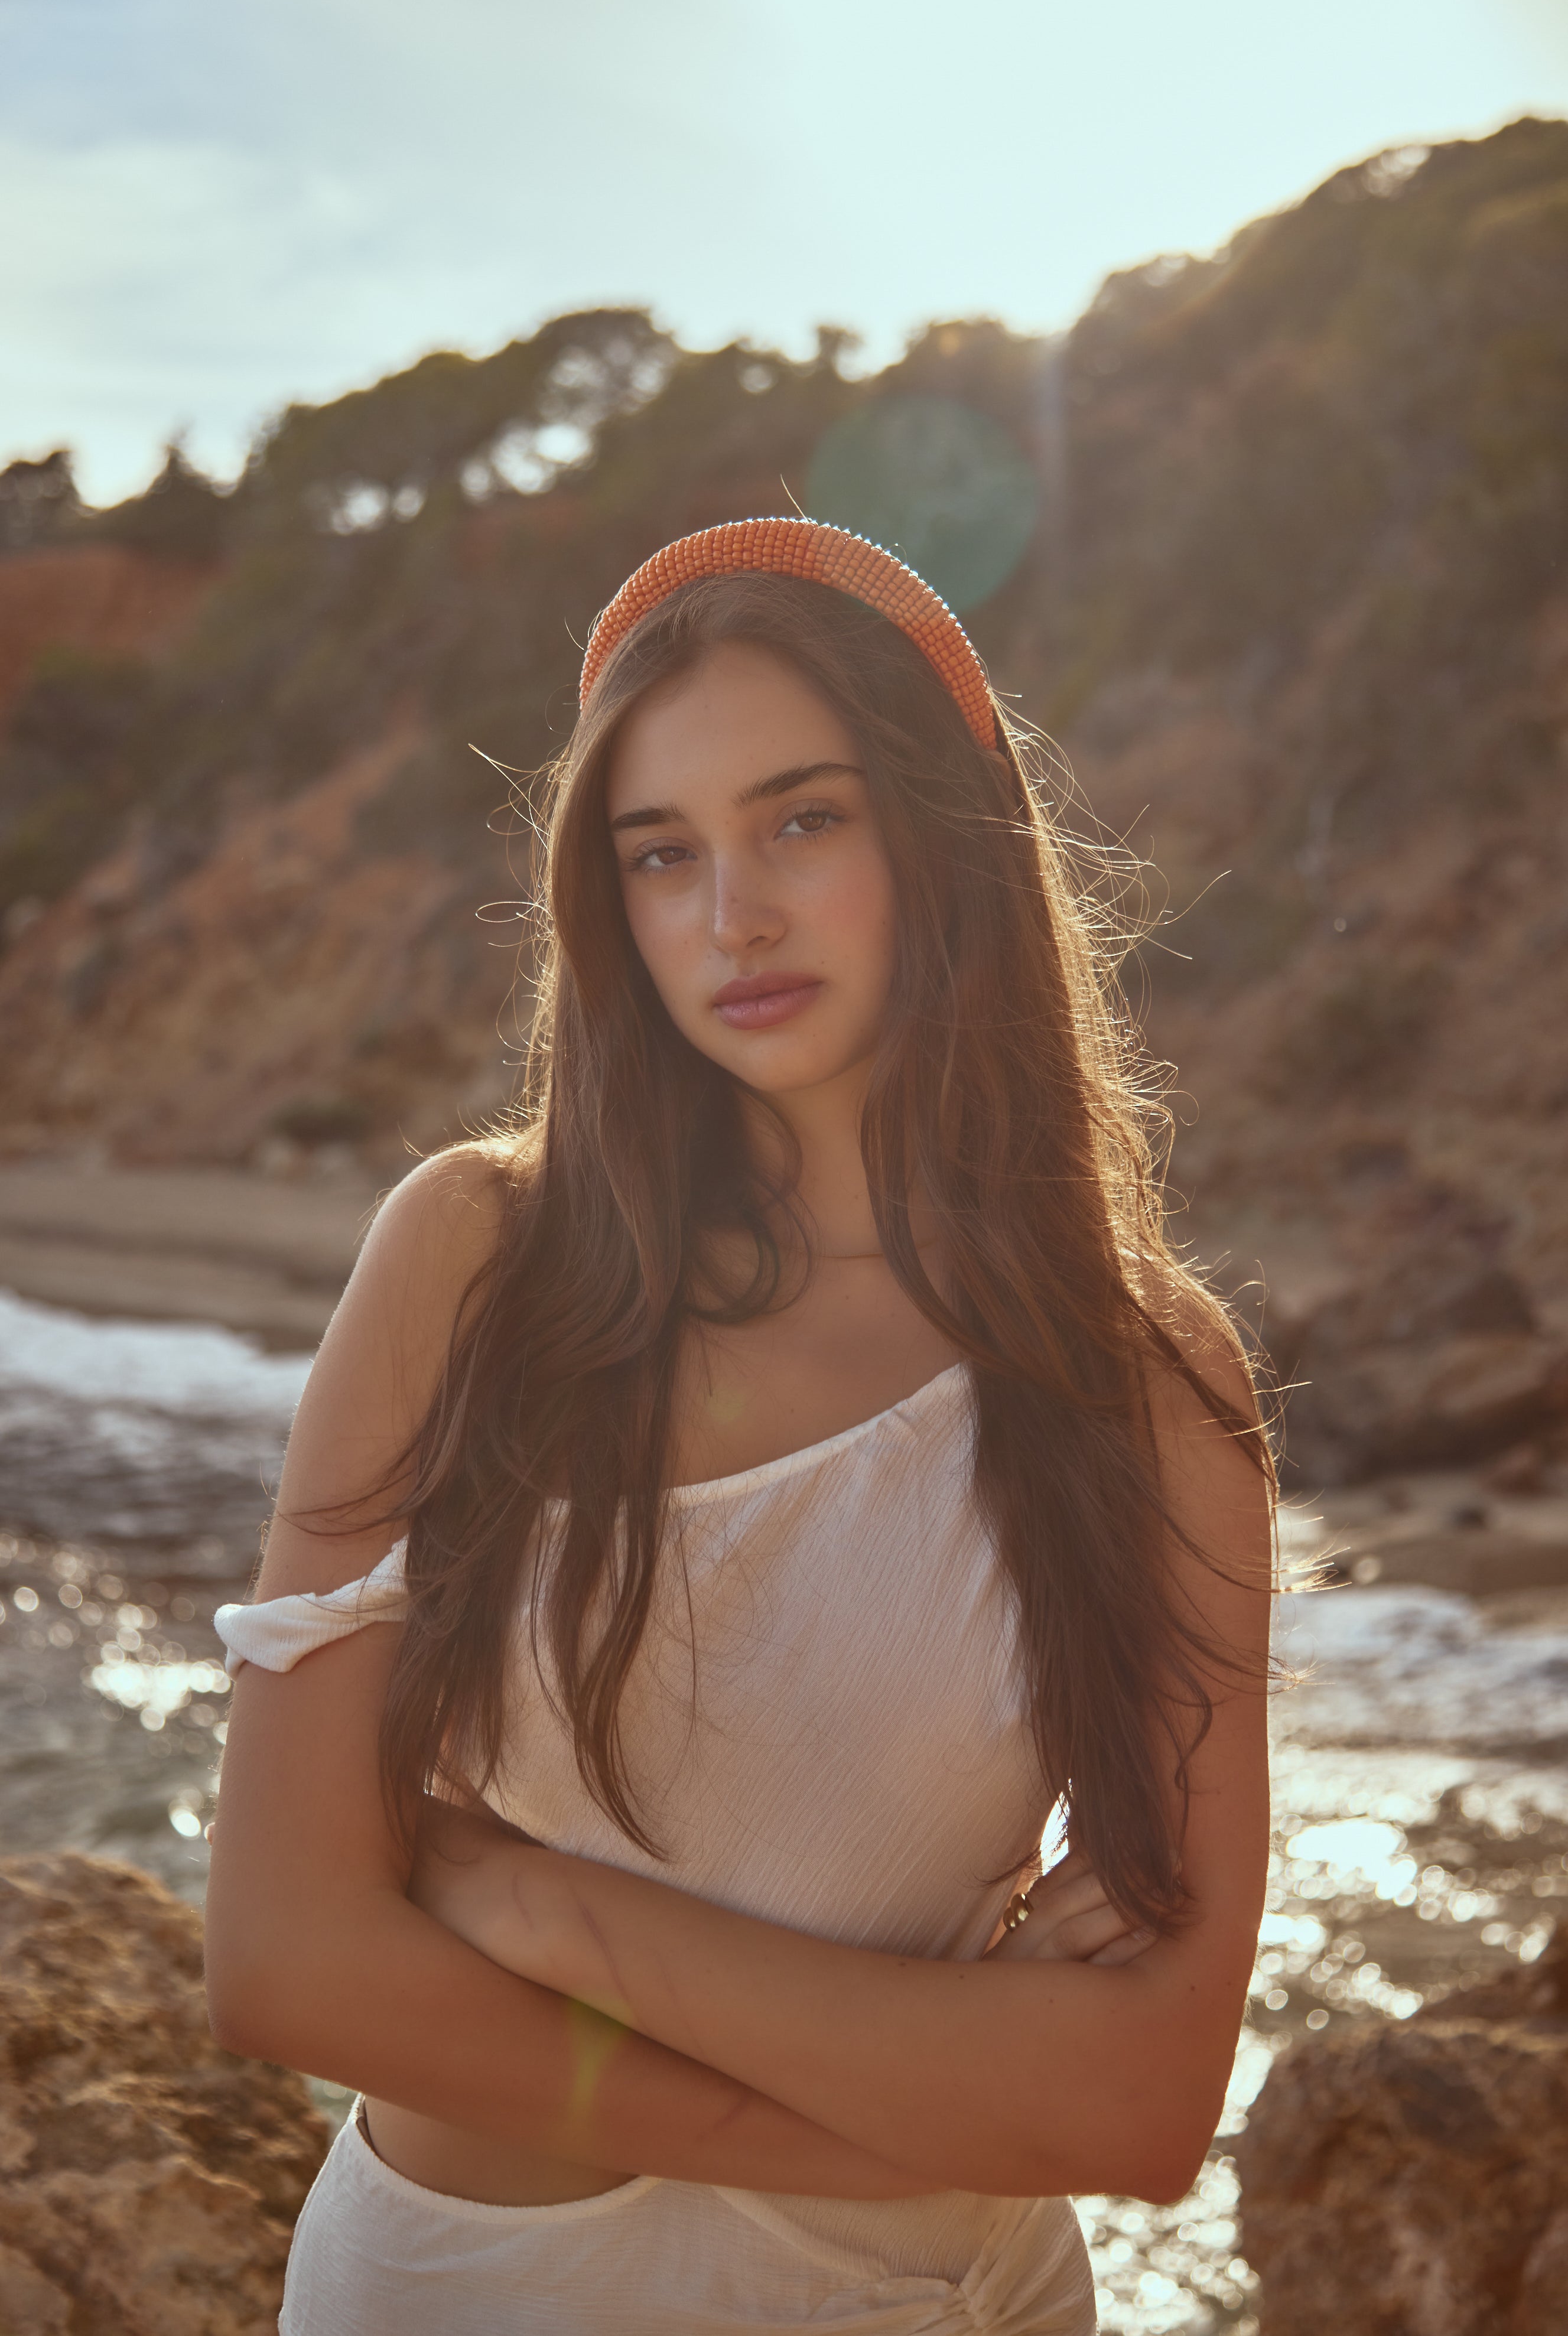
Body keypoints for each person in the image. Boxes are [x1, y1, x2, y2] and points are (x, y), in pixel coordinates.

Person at [203, 519, 1273, 2335]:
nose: (733, 916)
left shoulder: (1144, 1377)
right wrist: (899, 2105)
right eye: (661, 853)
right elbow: (290, 1960)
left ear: (942, 835)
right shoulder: (476, 1262)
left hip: (957, 2295)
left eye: (803, 819)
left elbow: (1142, 2098)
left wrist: (549, 1919)